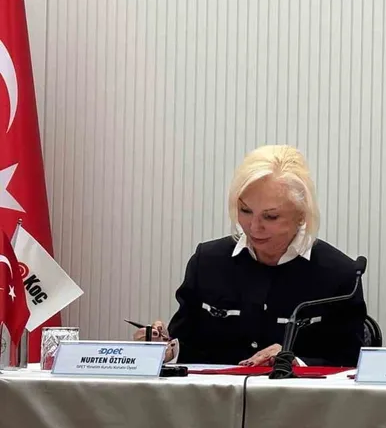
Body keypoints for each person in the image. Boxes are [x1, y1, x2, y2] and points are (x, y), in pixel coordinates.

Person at [133, 145, 367, 367]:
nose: (254, 227)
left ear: (301, 215)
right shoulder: (207, 262)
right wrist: (165, 349)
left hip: (298, 396)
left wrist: (294, 362)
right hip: (216, 395)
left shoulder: (340, 274)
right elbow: (188, 344)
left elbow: (351, 361)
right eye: (245, 211)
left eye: (271, 217)